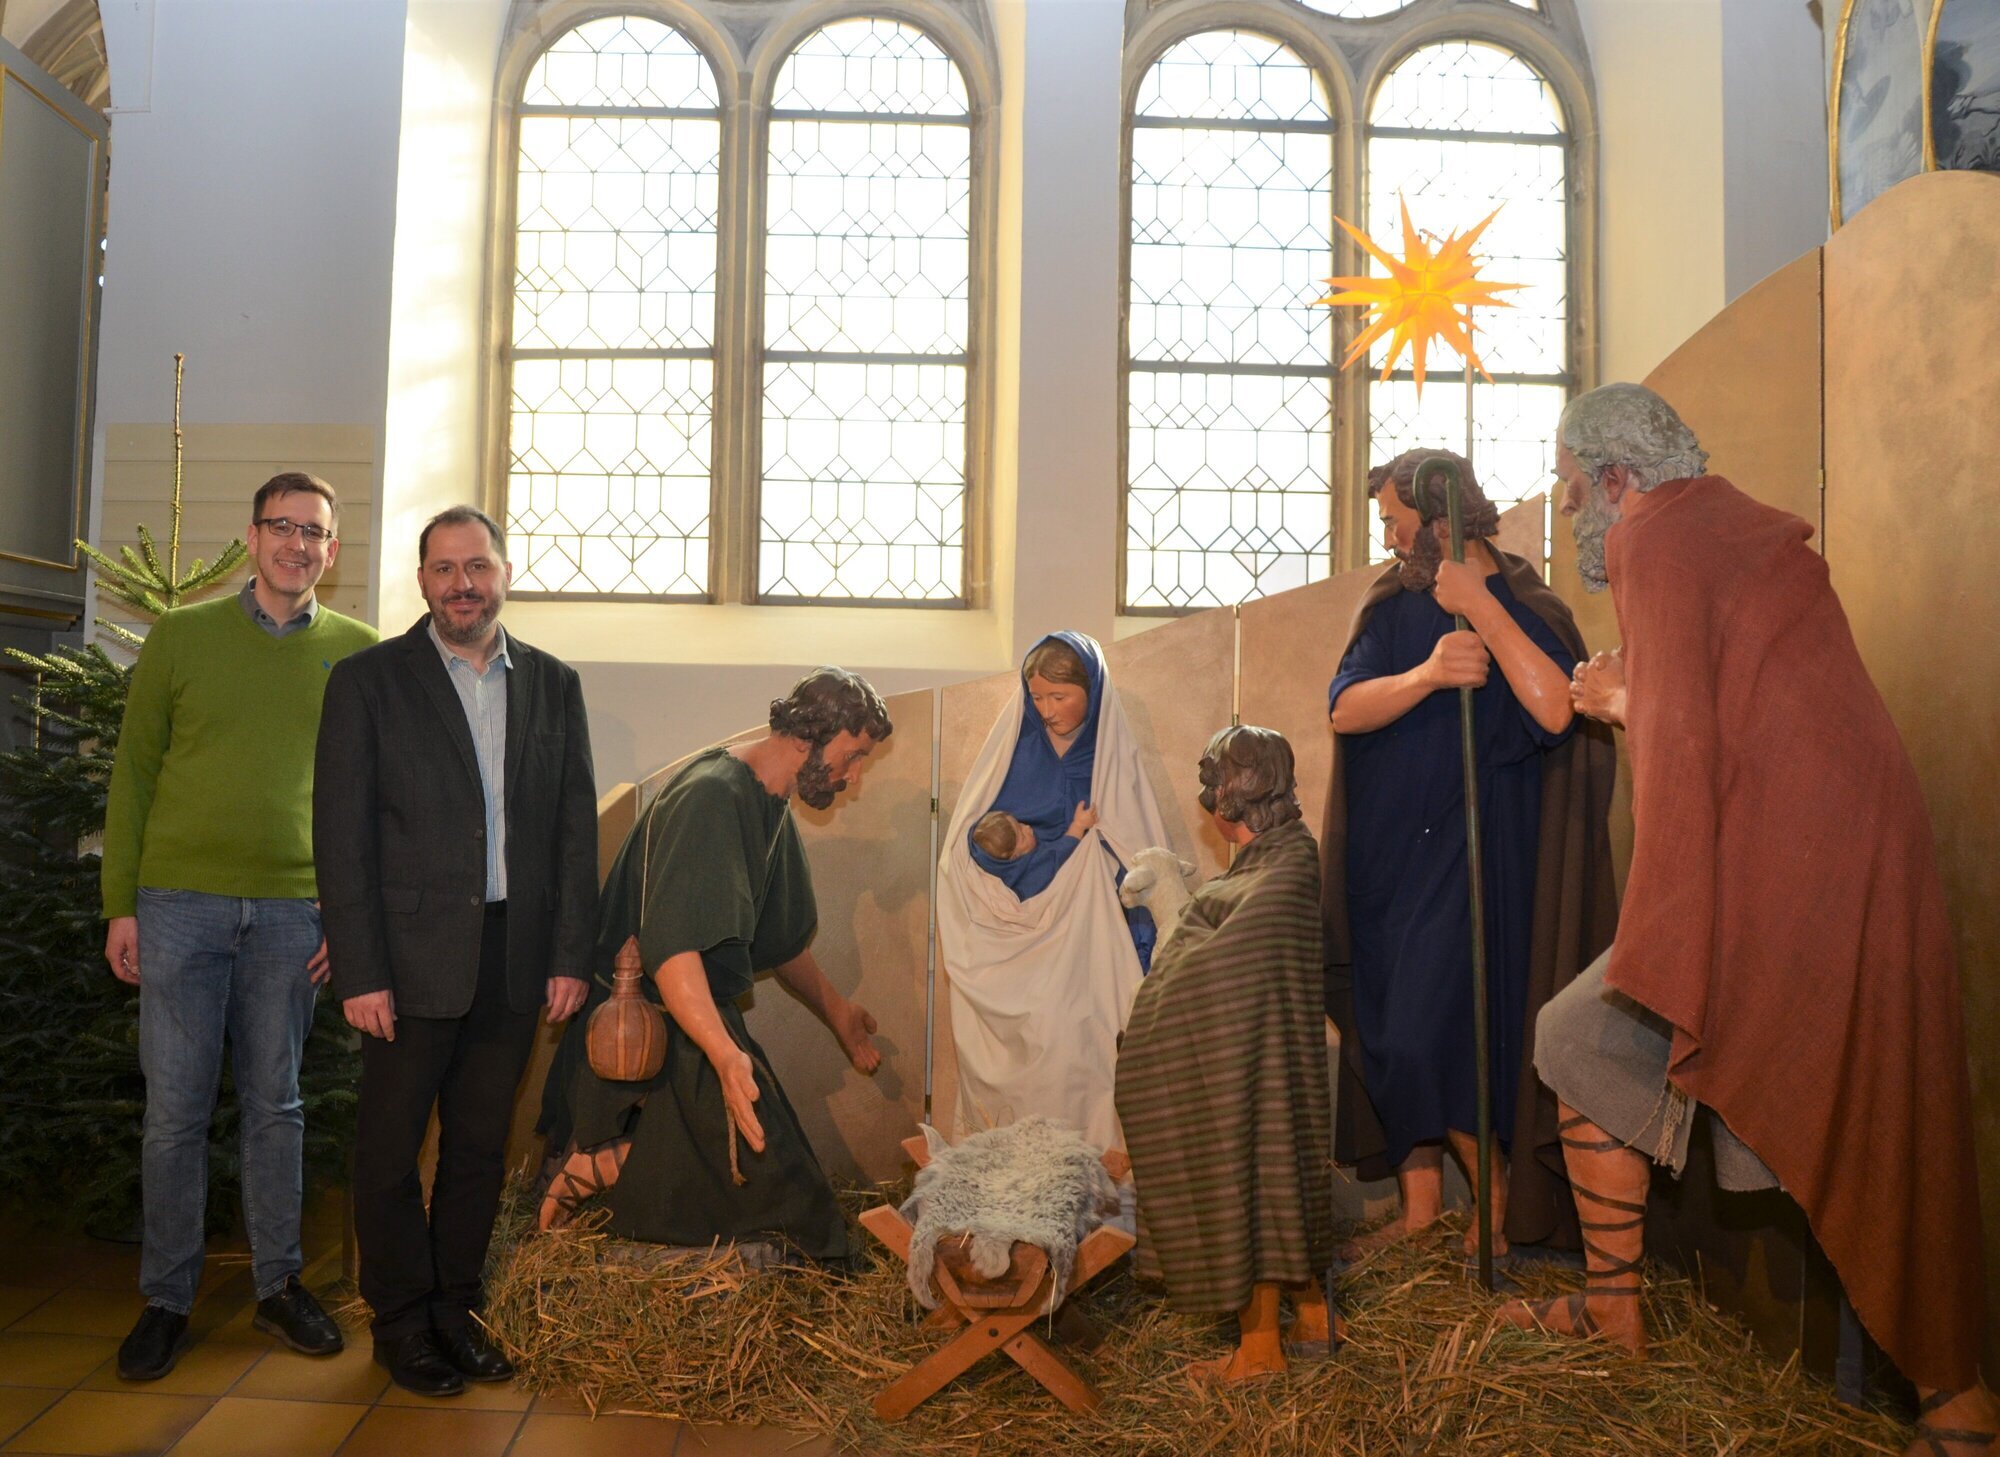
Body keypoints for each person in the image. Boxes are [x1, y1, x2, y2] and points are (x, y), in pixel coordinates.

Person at [1498, 383, 1996, 1457]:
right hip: (1838, 850)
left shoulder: (1655, 538)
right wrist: (1639, 699)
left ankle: (1957, 1402)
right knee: (1593, 1037)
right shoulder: (1723, 524)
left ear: (1616, 478)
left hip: (1791, 869)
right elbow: (1739, 707)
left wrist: (1624, 710)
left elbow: (1685, 745)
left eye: (1572, 484)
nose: (1568, 504)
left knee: (1855, 1113)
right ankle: (1613, 1309)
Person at [314, 506, 598, 1398]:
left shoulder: (553, 683)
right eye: (444, 569)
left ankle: (456, 1311)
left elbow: (574, 832)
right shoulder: (368, 681)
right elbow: (341, 837)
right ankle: (401, 1322)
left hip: (514, 955)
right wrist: (360, 969)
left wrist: (569, 954)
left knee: (478, 1147)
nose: (461, 584)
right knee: (390, 1152)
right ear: (423, 581)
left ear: (503, 573)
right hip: (405, 959)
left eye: (477, 566)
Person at [101, 472, 376, 1382]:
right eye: (282, 526)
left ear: (332, 550)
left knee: (276, 1105)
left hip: (296, 912)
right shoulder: (181, 638)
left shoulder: (358, 654)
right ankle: (166, 1299)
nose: (298, 543)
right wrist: (120, 903)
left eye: (315, 531)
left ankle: (278, 1284)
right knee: (174, 1115)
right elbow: (134, 774)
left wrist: (349, 911)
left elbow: (368, 798)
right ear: (252, 537)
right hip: (178, 905)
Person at [1323, 450, 1617, 1260]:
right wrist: (1424, 675)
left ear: (1439, 516)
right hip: (1392, 858)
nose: (1388, 537)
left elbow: (1556, 710)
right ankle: (1421, 1210)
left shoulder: (1525, 601)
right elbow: (1344, 707)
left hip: (1480, 855)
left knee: (1435, 1030)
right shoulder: (1392, 602)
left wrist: (1480, 609)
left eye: (1395, 520)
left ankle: (1496, 1206)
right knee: (1390, 1024)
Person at [533, 669, 891, 1257]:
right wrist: (725, 1057)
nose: (853, 777)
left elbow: (779, 942)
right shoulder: (713, 797)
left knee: (801, 1210)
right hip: (653, 1034)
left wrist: (839, 1013)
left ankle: (633, 1161)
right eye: (852, 757)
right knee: (789, 1213)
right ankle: (613, 1160)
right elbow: (673, 954)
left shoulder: (768, 797)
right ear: (811, 735)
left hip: (700, 1023)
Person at [1116, 726, 1337, 1385]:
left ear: (1227, 798)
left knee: (1249, 1175)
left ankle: (1260, 1351)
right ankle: (1314, 1317)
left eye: (1212, 785)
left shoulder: (1279, 869)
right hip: (1269, 1057)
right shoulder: (1284, 856)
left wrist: (1154, 1022)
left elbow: (1220, 970)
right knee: (1280, 1176)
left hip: (1250, 1064)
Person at [936, 632, 1176, 1152]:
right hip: (1017, 937)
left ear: (1092, 690)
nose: (1046, 710)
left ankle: (1088, 1164)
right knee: (1029, 1048)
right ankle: (1011, 1164)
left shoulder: (1110, 757)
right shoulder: (1015, 749)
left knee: (1080, 1043)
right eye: (1037, 696)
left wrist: (1089, 864)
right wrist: (1008, 862)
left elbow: (1136, 847)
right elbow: (969, 847)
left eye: (1060, 696)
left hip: (1091, 936)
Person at [969, 801, 1098, 874]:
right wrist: (1078, 825)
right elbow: (1058, 856)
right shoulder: (1033, 869)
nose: (1028, 828)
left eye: (1020, 824)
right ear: (1014, 857)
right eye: (1023, 836)